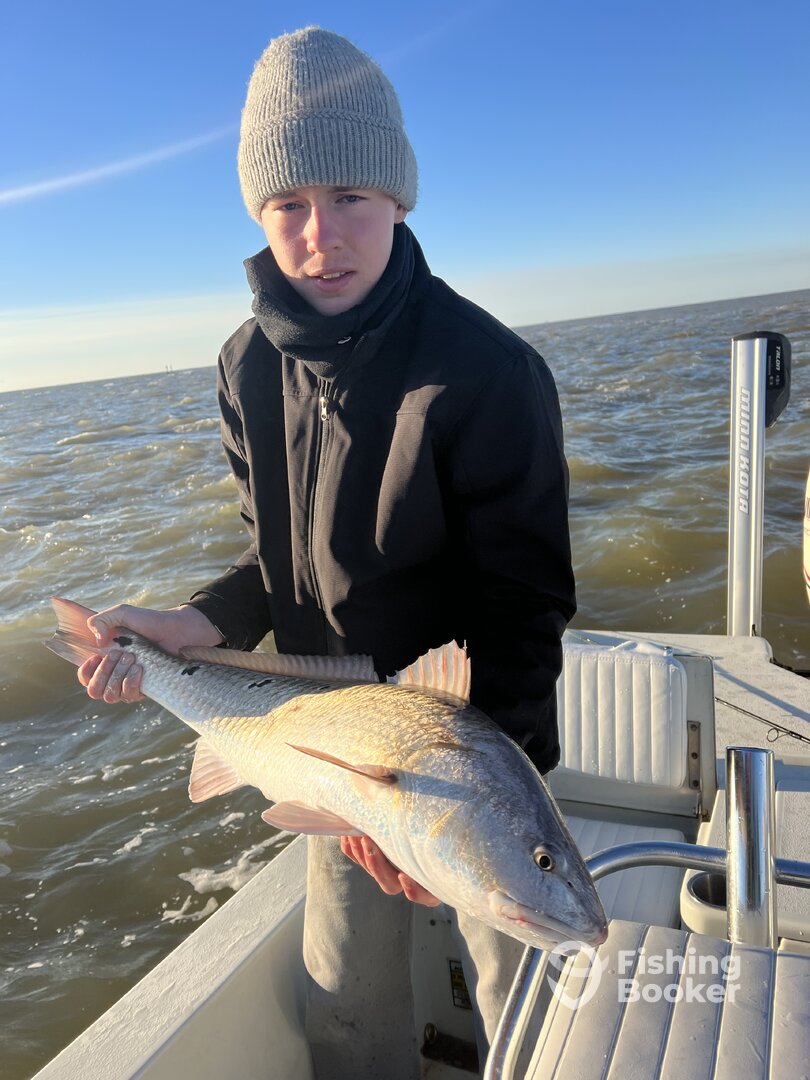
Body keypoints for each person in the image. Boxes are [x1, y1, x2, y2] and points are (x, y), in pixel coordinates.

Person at [78, 26, 576, 1079]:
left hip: (463, 743)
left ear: (399, 195)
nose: (320, 237)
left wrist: (461, 809)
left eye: (350, 194)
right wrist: (192, 625)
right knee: (344, 995)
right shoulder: (244, 366)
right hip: (319, 733)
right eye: (287, 204)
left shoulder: (489, 371)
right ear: (257, 214)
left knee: (531, 972)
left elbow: (524, 609)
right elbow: (273, 560)